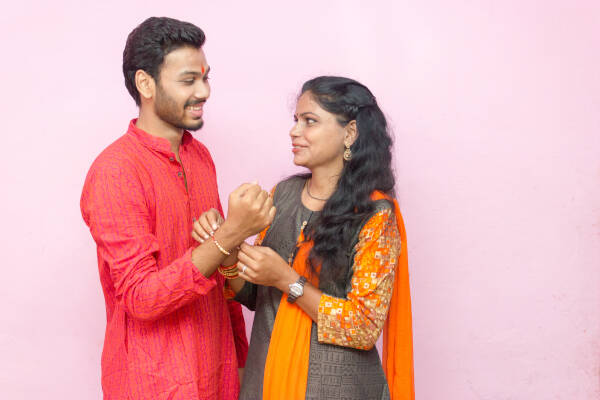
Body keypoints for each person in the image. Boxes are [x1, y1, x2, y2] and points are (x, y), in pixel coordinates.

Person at [80, 17, 275, 400]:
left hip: (217, 376)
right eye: (188, 80)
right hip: (152, 383)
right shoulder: (116, 171)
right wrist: (231, 232)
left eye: (206, 77)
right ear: (145, 84)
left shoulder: (199, 156)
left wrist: (241, 363)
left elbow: (221, 278)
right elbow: (142, 298)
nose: (204, 91)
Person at [193, 76, 415, 399]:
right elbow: (256, 296)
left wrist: (287, 279)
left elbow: (363, 327)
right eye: (296, 120)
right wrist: (225, 244)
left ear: (350, 133)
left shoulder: (375, 214)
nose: (294, 131)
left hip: (336, 389)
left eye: (309, 121)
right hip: (267, 382)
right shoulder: (283, 194)